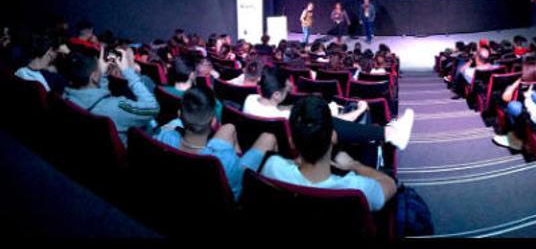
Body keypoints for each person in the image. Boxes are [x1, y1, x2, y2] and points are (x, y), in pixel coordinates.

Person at [260, 95, 397, 211]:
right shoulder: (356, 189)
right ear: (333, 137)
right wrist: (354, 165)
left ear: (292, 142)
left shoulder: (271, 168)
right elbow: (390, 184)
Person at [242, 68, 414, 152]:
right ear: (277, 95)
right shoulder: (286, 118)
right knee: (331, 121)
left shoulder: (249, 101)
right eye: (288, 90)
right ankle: (390, 133)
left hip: (263, 153)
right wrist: (360, 110)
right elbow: (332, 122)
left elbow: (278, 109)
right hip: (300, 153)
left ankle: (390, 132)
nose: (292, 90)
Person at [155, 86, 277, 200]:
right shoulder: (224, 159)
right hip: (227, 193)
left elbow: (172, 125)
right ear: (214, 121)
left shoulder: (163, 137)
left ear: (179, 115)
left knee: (229, 127)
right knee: (268, 137)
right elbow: (237, 190)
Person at [60, 46, 159, 146]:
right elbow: (152, 109)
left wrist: (101, 74)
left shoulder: (65, 97)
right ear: (93, 76)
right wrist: (127, 71)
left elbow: (96, 97)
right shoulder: (117, 106)